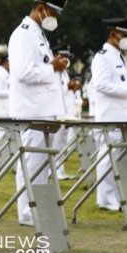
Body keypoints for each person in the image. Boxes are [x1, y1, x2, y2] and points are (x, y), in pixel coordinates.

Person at [7, 0, 69, 226]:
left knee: (41, 164)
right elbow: (22, 73)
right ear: (41, 8)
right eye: (53, 12)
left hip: (42, 110)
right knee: (31, 163)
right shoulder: (23, 34)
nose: (55, 18)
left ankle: (36, 208)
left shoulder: (38, 34)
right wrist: (51, 68)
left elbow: (41, 68)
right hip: (30, 110)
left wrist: (54, 66)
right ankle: (26, 212)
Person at [90, 17, 127, 210]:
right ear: (114, 35)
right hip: (110, 116)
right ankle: (105, 200)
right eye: (125, 35)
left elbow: (122, 85)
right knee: (108, 158)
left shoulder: (119, 56)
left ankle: (116, 196)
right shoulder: (103, 56)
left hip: (123, 116)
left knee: (120, 158)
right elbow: (101, 85)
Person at [51, 45, 75, 180]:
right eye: (63, 56)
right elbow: (55, 90)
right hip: (57, 113)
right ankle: (54, 170)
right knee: (56, 144)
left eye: (68, 57)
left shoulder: (64, 73)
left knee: (62, 144)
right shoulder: (54, 71)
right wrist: (68, 87)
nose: (66, 60)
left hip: (65, 112)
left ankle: (60, 169)